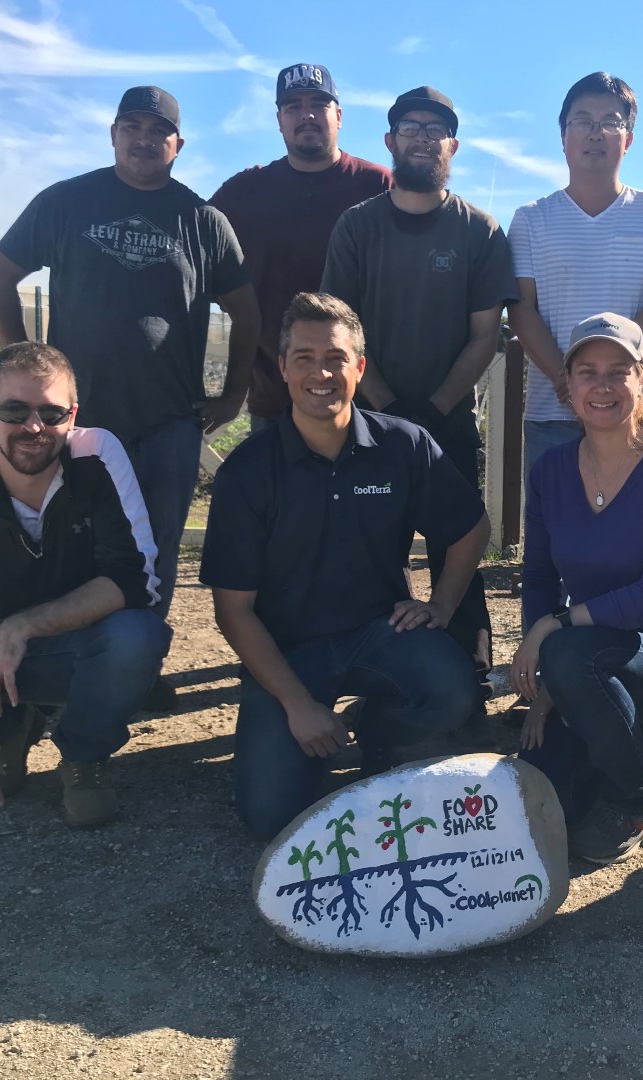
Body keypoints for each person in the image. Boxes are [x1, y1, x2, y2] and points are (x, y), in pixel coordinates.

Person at [199, 292, 490, 839]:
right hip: (288, 651)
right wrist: (297, 706)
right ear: (283, 368)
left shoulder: (402, 444)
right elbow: (233, 612)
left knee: (454, 691)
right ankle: (309, 734)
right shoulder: (248, 471)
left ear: (359, 367)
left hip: (379, 634)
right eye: (304, 358)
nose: (321, 373)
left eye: (335, 358)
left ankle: (377, 734)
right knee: (272, 816)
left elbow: (472, 528)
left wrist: (442, 605)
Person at [0, 85, 261, 631]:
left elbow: (247, 313)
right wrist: (19, 365)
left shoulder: (203, 220)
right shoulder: (65, 202)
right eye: (132, 127)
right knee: (68, 541)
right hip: (75, 420)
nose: (144, 139)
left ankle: (141, 655)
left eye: (159, 131)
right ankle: (68, 651)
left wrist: (233, 395)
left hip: (167, 422)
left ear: (179, 145)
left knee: (153, 548)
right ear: (113, 134)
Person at [0, 342, 168, 827]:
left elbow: (134, 578)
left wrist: (19, 628)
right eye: (15, 411)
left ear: (72, 416)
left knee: (137, 637)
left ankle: (82, 757)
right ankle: (4, 730)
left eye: (51, 413)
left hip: (80, 642)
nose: (34, 427)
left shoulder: (97, 455)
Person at [321, 85, 516, 743]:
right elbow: (341, 331)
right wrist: (388, 407)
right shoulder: (357, 226)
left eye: (437, 130)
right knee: (373, 556)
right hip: (366, 422)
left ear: (452, 146)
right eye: (411, 127)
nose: (424, 139)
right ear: (390, 141)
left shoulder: (479, 231)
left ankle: (470, 684)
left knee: (457, 550)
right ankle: (388, 685)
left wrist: (431, 410)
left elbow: (484, 336)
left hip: (447, 423)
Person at [511, 313, 643, 864]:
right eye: (587, 372)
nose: (602, 386)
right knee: (542, 793)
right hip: (587, 657)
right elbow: (539, 576)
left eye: (617, 372)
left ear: (642, 377)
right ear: (567, 383)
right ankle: (625, 737)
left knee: (572, 653)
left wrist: (553, 631)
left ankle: (641, 801)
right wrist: (546, 685)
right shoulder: (551, 469)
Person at [508, 72, 643, 477]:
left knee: (639, 516)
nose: (596, 132)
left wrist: (605, 378)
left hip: (633, 409)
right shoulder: (530, 219)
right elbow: (521, 309)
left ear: (628, 140)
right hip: (551, 414)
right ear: (563, 136)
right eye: (582, 121)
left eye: (610, 122)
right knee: (554, 516)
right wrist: (568, 380)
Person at [209, 63, 392, 426]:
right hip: (273, 397)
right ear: (279, 120)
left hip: (366, 399)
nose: (307, 115)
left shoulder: (379, 186)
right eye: (293, 106)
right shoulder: (243, 192)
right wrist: (240, 309)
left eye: (319, 104)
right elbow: (191, 260)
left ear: (339, 116)